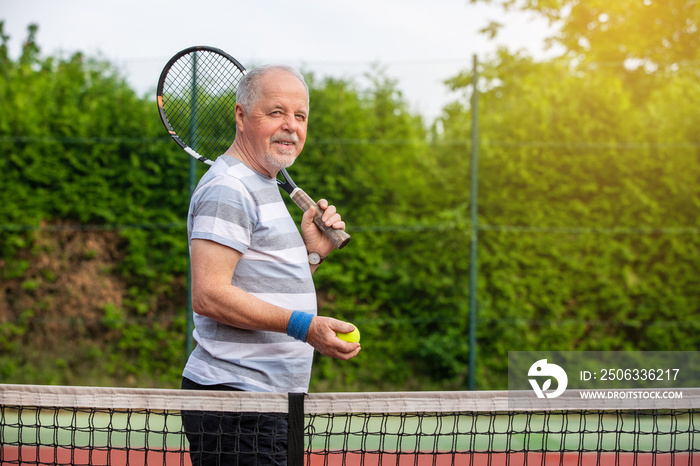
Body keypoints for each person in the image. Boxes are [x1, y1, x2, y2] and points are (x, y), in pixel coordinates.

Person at [181, 64, 361, 465]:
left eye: (300, 116)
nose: (290, 126)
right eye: (276, 112)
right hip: (237, 405)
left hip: (273, 402)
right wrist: (306, 327)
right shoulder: (228, 187)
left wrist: (311, 255)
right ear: (241, 116)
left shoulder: (262, 181)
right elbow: (209, 296)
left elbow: (258, 283)